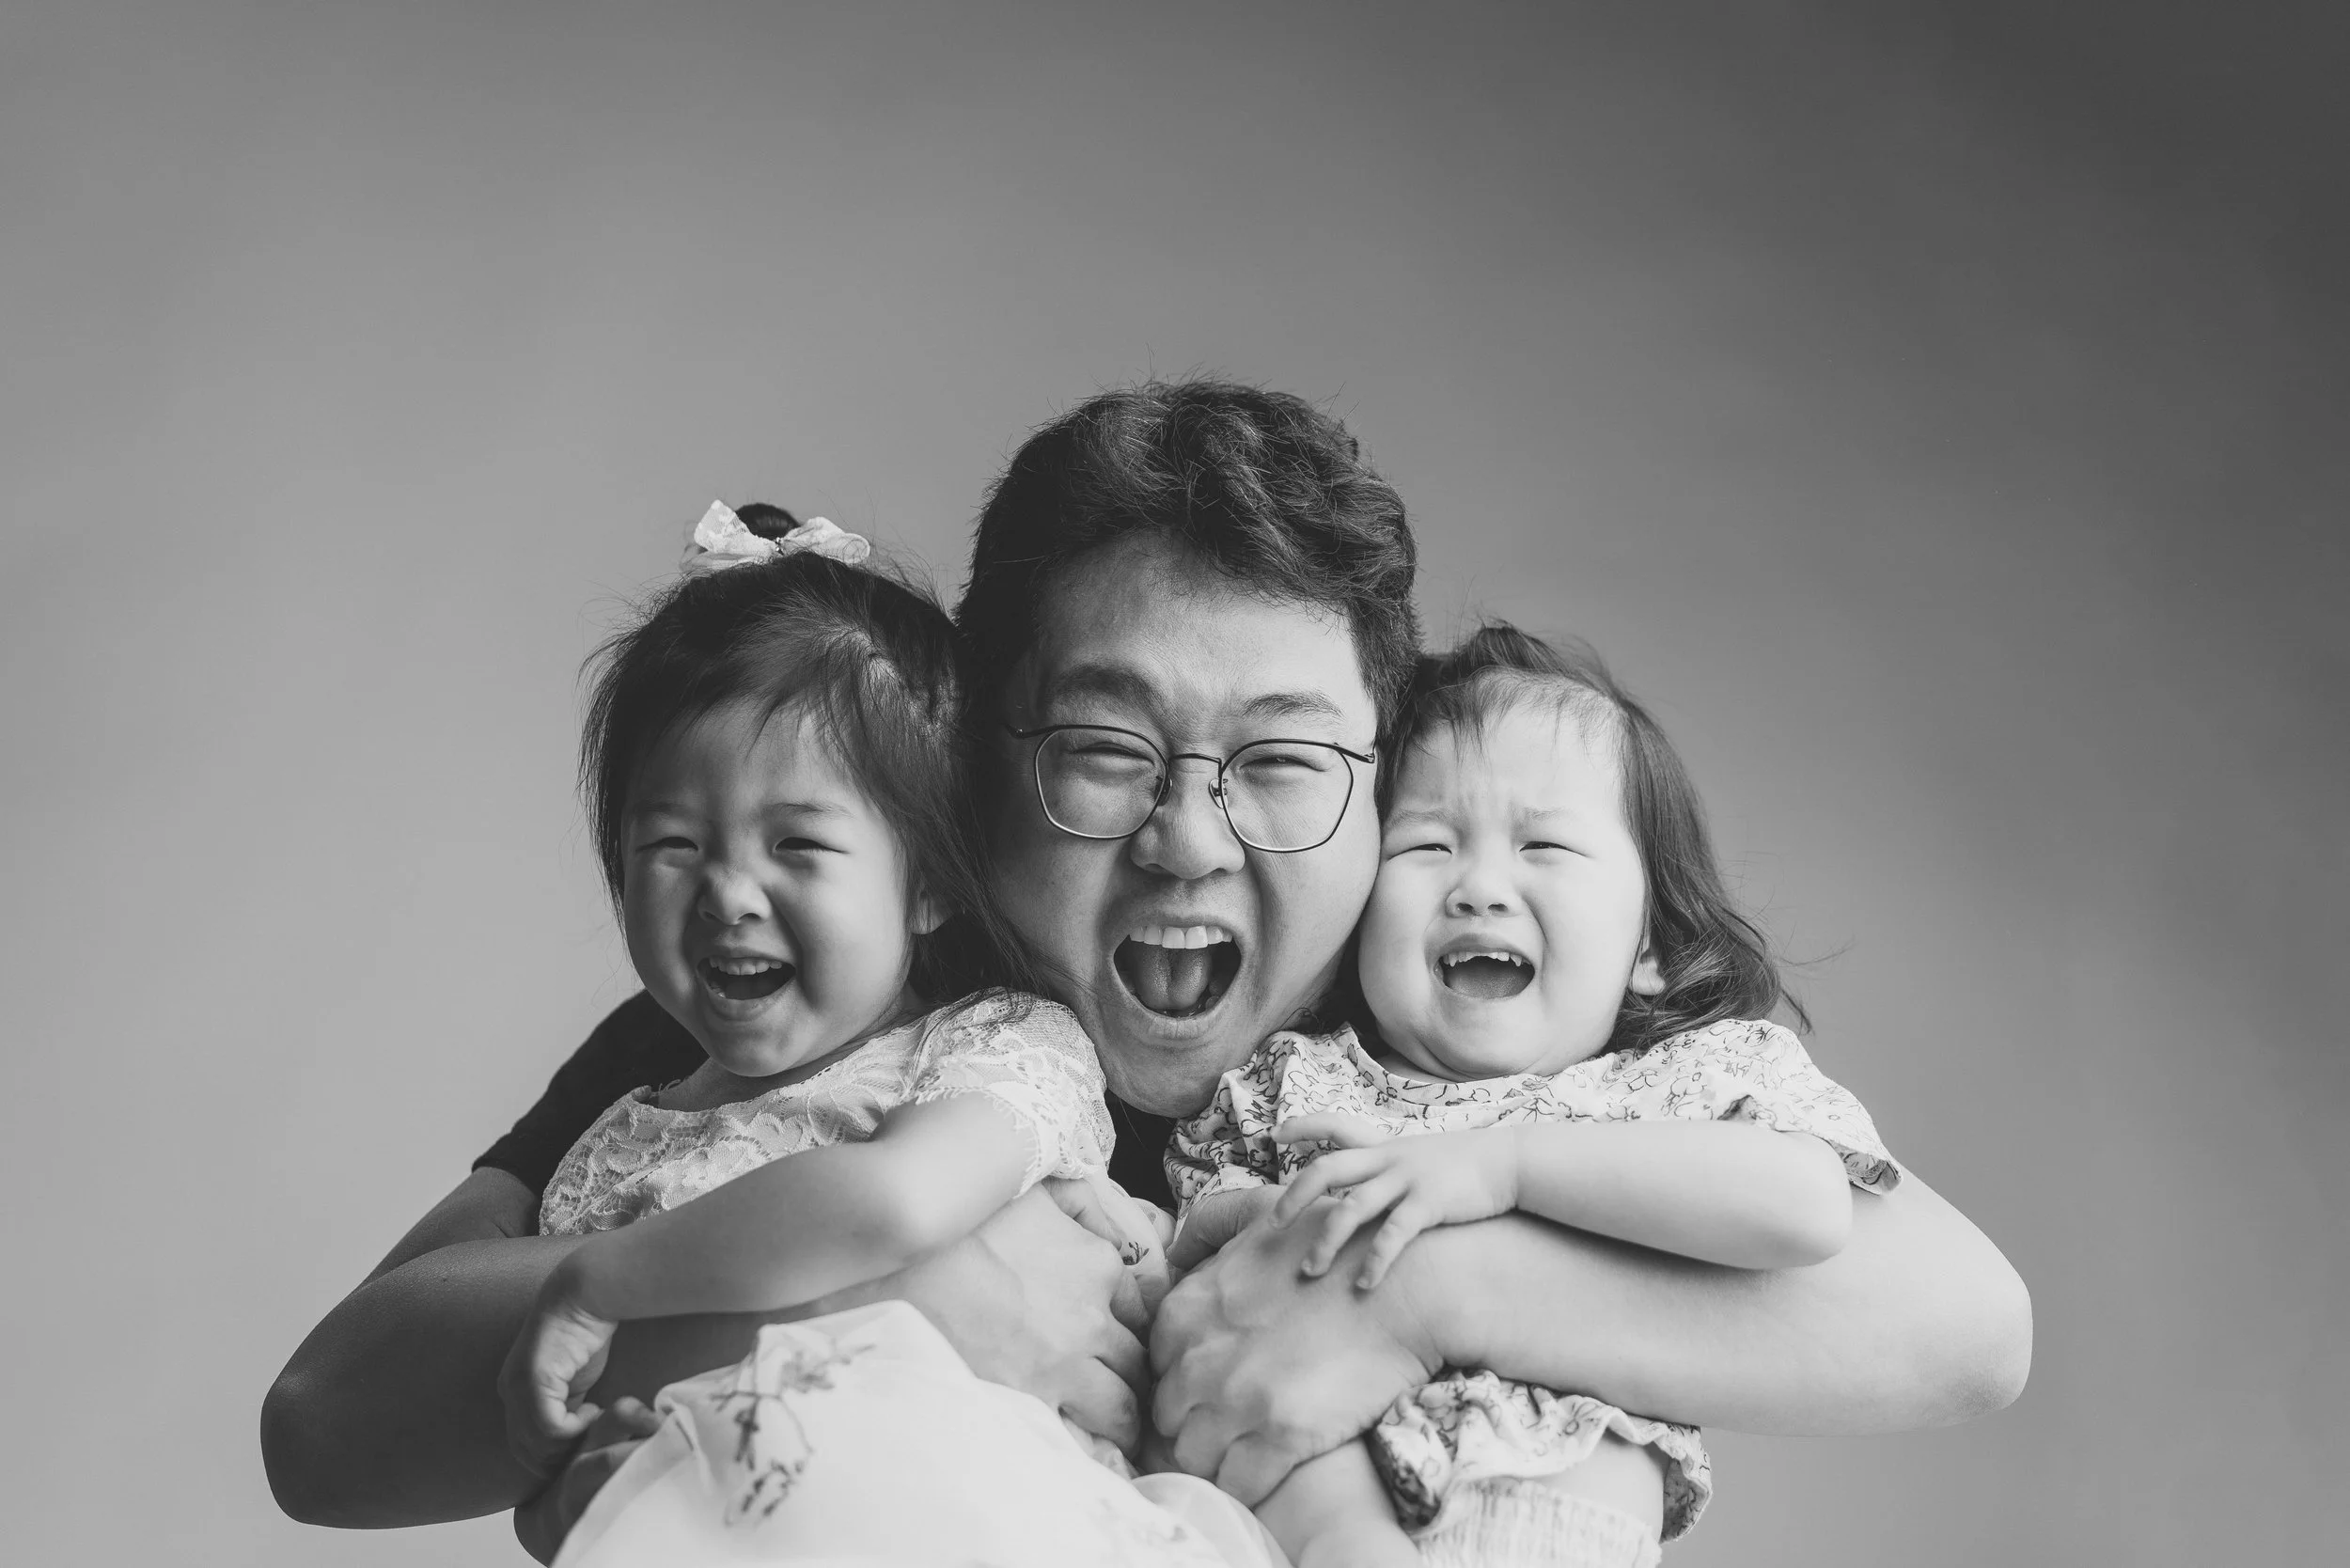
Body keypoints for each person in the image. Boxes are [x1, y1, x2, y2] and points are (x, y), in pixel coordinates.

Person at [262, 380, 2030, 1552]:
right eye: (1106, 751)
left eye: (1278, 762)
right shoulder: (815, 1019)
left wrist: (1424, 1289)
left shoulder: (1445, 1031)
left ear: (1377, 780)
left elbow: (1960, 1320)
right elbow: (329, 1419)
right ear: (969, 760)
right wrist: (842, 1285)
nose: (1192, 840)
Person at [494, 499, 1278, 1566]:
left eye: (798, 845)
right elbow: (579, 1494)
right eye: (672, 842)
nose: (729, 891)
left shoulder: (992, 1050)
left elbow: (893, 1202)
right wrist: (579, 1489)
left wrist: (597, 1287)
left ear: (928, 887)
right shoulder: (606, 1159)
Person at [1169, 624, 1903, 1567]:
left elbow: (1802, 1209)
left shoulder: (1674, 1088)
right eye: (1426, 844)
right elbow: (1210, 1297)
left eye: (1545, 846)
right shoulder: (1298, 1084)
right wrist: (1280, 1218)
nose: (1478, 887)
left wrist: (1504, 1165)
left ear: (1650, 948)